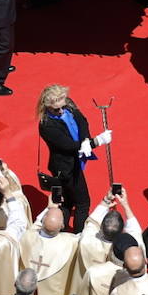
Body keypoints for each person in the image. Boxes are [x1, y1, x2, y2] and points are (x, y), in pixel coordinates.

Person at [36, 84, 111, 233]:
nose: (61, 111)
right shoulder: (46, 125)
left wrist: (85, 140)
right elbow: (68, 145)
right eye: (56, 109)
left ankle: (59, 231)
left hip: (73, 160)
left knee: (67, 202)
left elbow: (82, 120)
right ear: (47, 106)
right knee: (83, 203)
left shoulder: (67, 103)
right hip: (65, 167)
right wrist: (96, 142)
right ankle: (79, 235)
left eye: (62, 106)